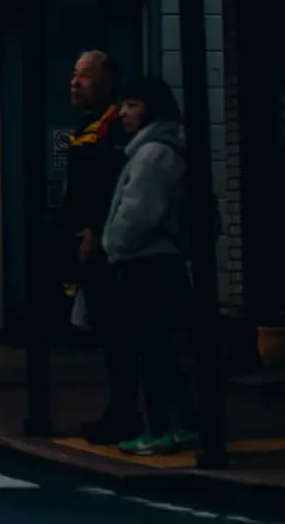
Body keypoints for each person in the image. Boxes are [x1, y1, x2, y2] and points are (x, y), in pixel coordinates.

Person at [104, 76, 198, 456]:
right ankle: (179, 424)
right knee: (162, 350)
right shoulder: (165, 146)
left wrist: (113, 244)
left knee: (152, 350)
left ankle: (162, 427)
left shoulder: (154, 152)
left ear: (151, 109)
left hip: (147, 264)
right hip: (163, 262)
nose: (123, 113)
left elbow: (139, 213)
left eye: (132, 105)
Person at [65, 49, 136, 445]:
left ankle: (125, 412)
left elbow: (107, 186)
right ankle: (119, 409)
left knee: (118, 333)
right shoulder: (87, 126)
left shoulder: (113, 128)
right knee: (106, 331)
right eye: (75, 75)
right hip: (87, 238)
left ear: (108, 83)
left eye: (86, 77)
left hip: (107, 244)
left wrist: (94, 229)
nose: (75, 83)